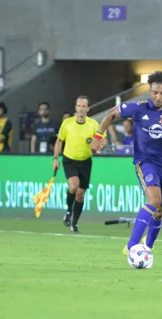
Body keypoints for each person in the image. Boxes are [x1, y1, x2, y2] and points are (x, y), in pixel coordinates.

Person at [92, 71, 162, 255]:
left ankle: (149, 245)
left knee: (160, 210)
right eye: (154, 92)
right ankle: (131, 247)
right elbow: (111, 114)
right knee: (154, 200)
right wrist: (99, 136)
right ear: (150, 90)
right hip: (145, 161)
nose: (158, 96)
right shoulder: (139, 108)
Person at [53, 96, 105, 234]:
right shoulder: (67, 123)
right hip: (69, 159)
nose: (81, 109)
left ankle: (74, 223)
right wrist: (55, 158)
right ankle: (69, 210)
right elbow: (59, 141)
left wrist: (99, 145)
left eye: (84, 106)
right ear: (75, 108)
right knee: (73, 186)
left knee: (80, 194)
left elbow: (102, 140)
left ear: (88, 108)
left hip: (85, 161)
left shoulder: (93, 124)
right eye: (79, 106)